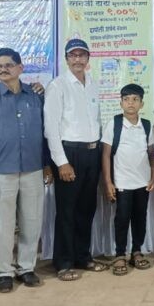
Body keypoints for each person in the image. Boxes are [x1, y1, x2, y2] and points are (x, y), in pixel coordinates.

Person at [0, 48, 49, 293]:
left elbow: (46, 134)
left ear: (20, 68)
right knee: (2, 225)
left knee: (32, 222)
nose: (3, 69)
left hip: (33, 169)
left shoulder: (35, 95)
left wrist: (47, 164)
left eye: (8, 65)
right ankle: (4, 272)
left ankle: (26, 268)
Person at [44, 39, 106, 281]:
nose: (78, 59)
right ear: (66, 59)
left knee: (86, 209)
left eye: (82, 55)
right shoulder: (57, 86)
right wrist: (61, 162)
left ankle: (83, 256)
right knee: (67, 211)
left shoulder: (92, 84)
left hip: (92, 152)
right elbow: (51, 128)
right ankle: (64, 262)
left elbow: (96, 120)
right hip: (70, 154)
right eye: (73, 55)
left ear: (88, 58)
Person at [102, 84, 154, 276]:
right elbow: (106, 155)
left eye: (135, 99)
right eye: (126, 99)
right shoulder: (114, 124)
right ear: (121, 103)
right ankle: (119, 254)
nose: (130, 103)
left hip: (142, 182)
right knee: (122, 218)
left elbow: (151, 153)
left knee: (140, 217)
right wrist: (108, 182)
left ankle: (136, 251)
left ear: (142, 104)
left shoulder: (146, 125)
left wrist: (153, 175)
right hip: (122, 183)